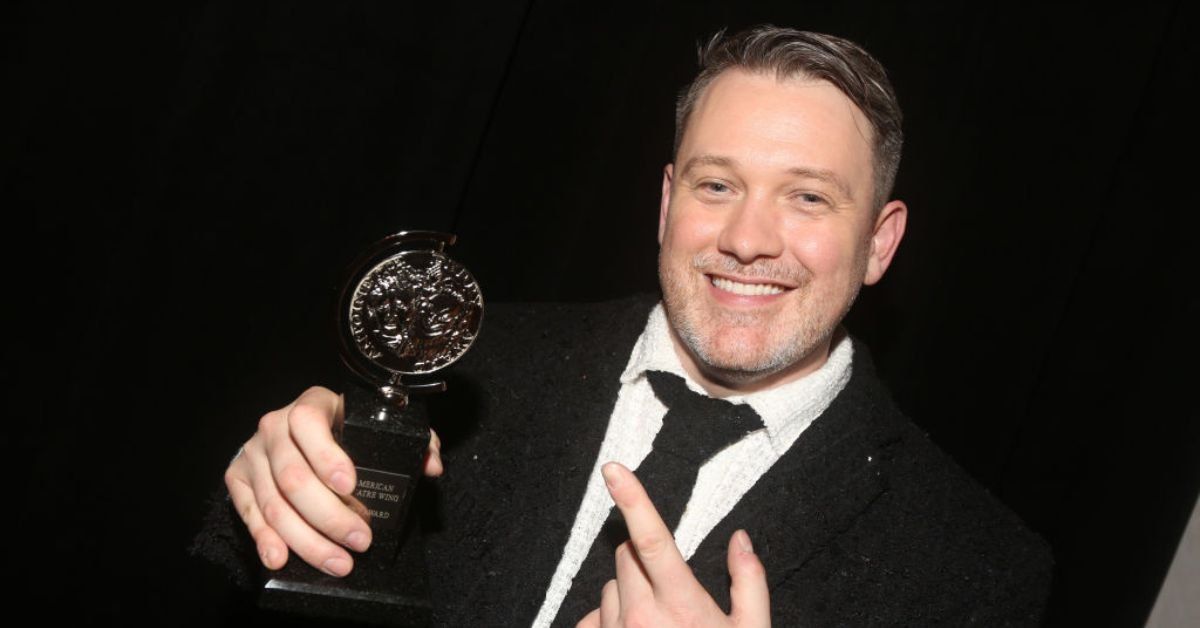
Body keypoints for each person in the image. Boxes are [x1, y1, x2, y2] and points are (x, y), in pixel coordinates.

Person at [207, 25, 1052, 626]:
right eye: (717, 185)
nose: (748, 240)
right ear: (665, 202)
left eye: (807, 198)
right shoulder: (470, 368)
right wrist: (265, 492)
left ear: (880, 242)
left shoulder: (973, 569)